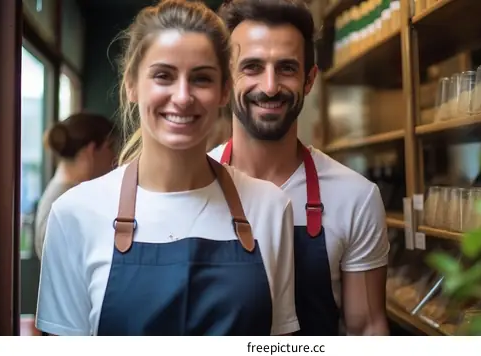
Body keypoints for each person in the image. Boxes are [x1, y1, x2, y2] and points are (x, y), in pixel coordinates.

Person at [36, 0, 298, 336]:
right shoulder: (75, 214)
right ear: (131, 84)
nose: (183, 96)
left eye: (201, 79)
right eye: (164, 76)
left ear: (223, 92)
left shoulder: (271, 208)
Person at [210, 0, 390, 336]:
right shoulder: (194, 184)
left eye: (286, 68)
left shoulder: (356, 197)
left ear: (309, 80)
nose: (269, 86)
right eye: (251, 67)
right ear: (224, 79)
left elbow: (367, 328)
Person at [34, 112, 118, 261]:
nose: (115, 156)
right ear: (92, 150)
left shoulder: (61, 195)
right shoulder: (68, 203)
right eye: (110, 147)